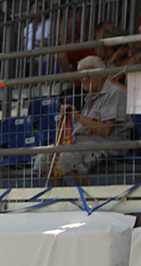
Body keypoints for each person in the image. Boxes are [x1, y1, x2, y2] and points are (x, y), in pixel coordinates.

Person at [36, 56, 130, 185]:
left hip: (105, 144)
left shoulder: (115, 93)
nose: (84, 80)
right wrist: (70, 118)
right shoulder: (90, 96)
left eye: (88, 75)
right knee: (44, 157)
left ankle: (87, 201)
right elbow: (84, 126)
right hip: (82, 143)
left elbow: (106, 130)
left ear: (101, 75)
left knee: (68, 155)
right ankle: (64, 200)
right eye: (82, 76)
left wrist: (78, 117)